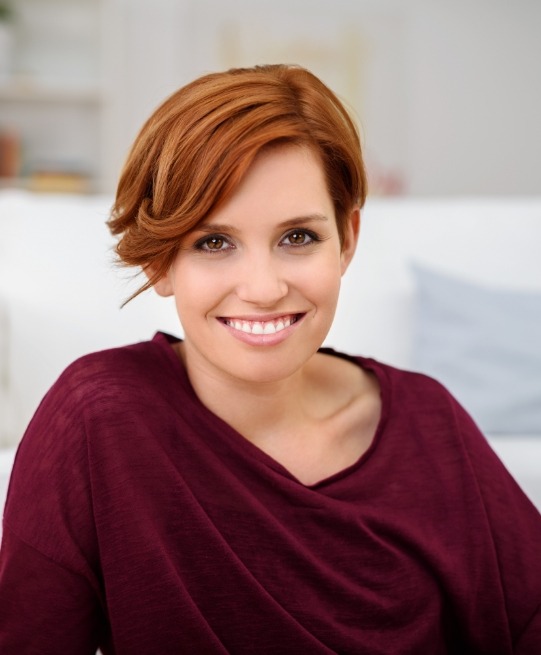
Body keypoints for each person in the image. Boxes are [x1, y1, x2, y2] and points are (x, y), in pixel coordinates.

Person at [0, 64, 540, 654]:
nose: (262, 287)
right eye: (213, 243)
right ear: (160, 262)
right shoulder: (96, 419)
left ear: (348, 240)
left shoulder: (429, 420)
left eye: (298, 238)